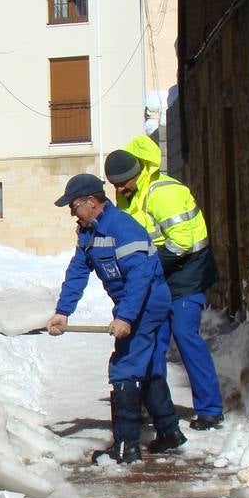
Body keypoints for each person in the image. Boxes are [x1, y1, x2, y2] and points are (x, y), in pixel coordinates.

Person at [46, 173, 186, 463]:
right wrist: (63, 312)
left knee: (124, 368)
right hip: (131, 303)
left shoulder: (122, 228)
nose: (71, 212)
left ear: (92, 202)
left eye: (74, 205)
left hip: (147, 301)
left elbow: (141, 276)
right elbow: (77, 272)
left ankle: (126, 447)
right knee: (145, 368)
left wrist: (126, 317)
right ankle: (170, 432)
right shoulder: (88, 232)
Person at [105, 135, 224, 430]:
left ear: (138, 173)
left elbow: (182, 242)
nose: (119, 189)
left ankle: (210, 409)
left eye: (123, 183)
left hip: (187, 272)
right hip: (158, 272)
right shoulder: (129, 195)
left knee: (185, 336)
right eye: (115, 185)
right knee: (153, 341)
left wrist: (146, 268)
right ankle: (157, 408)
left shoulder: (163, 193)